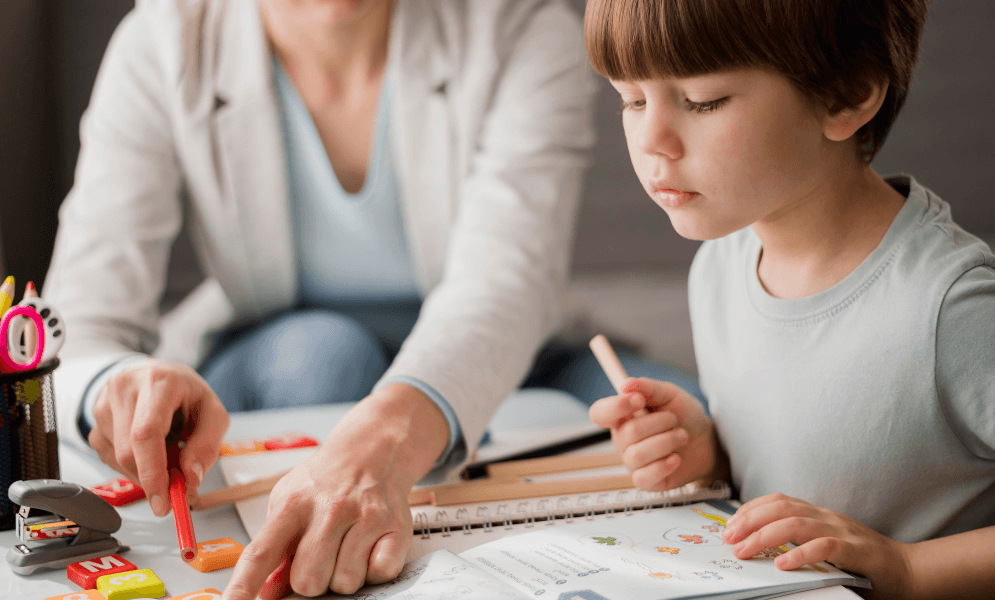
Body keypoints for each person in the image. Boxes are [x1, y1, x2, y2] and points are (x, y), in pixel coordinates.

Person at [39, 0, 700, 598]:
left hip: (507, 349)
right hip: (286, 349)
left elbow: (506, 286)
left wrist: (385, 439)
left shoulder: (523, 28)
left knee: (689, 424)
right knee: (327, 356)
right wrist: (115, 385)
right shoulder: (164, 40)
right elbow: (80, 321)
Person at [582, 1, 995, 599]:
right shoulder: (720, 265)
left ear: (845, 96)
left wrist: (910, 569)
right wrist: (712, 454)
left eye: (703, 101)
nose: (652, 141)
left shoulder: (956, 315)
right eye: (632, 100)